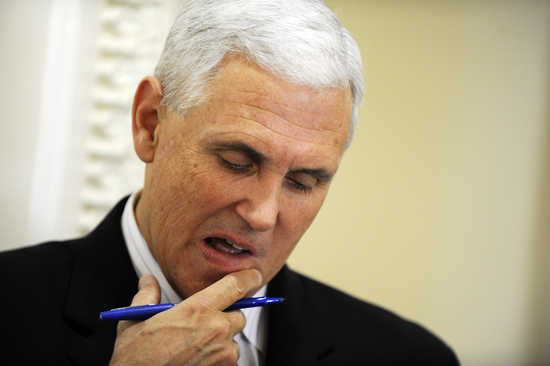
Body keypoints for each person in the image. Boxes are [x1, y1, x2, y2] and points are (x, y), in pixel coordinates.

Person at [0, 0, 460, 365]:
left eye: (303, 181)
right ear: (150, 124)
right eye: (238, 161)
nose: (263, 214)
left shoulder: (408, 355)